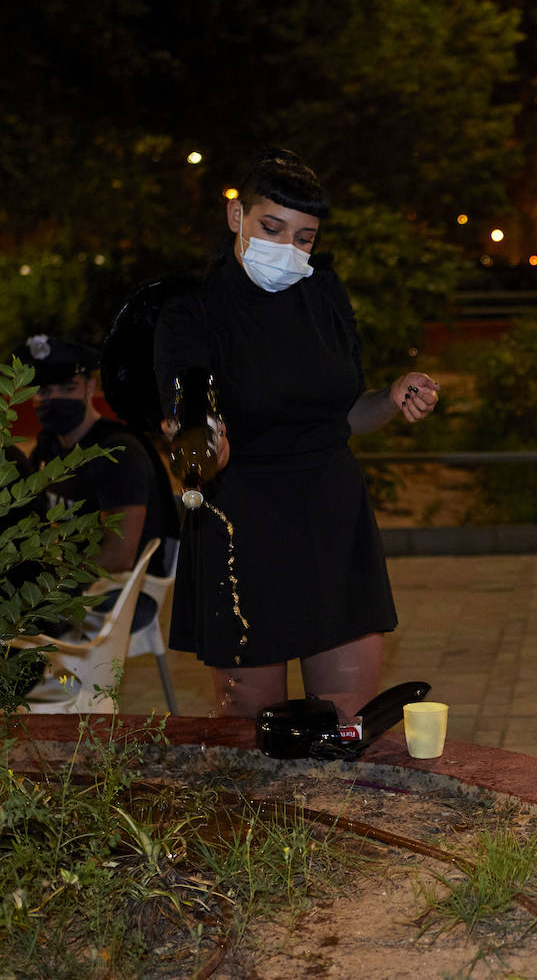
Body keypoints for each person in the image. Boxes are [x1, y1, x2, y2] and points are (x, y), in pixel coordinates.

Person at [153, 149, 439, 721]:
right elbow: (189, 445)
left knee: (349, 733)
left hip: (334, 518)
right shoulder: (192, 313)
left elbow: (342, 417)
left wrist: (391, 397)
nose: (288, 249)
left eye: (304, 237)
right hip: (243, 524)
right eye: (272, 227)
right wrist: (201, 455)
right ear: (237, 216)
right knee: (256, 753)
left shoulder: (324, 295)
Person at [18, 333, 179, 581]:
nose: (54, 398)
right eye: (44, 390)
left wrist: (49, 588)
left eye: (67, 388)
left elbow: (118, 557)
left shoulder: (118, 453)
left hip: (117, 593)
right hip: (72, 582)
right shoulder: (46, 448)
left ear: (90, 387)